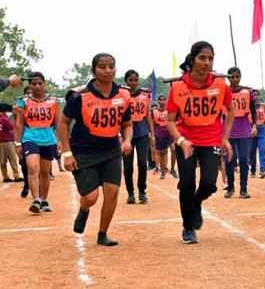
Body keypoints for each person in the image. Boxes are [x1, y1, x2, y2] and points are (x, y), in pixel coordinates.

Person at [58, 53, 133, 246]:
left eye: (111, 66)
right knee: (91, 197)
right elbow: (64, 123)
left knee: (112, 191)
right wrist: (67, 153)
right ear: (93, 70)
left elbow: (127, 124)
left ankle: (102, 234)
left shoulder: (123, 95)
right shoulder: (79, 97)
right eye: (102, 67)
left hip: (111, 150)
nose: (107, 71)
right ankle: (84, 209)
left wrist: (127, 141)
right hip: (84, 151)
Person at [166, 41, 234, 244]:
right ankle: (188, 227)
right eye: (202, 58)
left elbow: (230, 110)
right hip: (186, 140)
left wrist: (225, 138)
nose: (207, 62)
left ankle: (196, 203)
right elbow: (169, 120)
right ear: (192, 60)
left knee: (208, 184)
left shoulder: (220, 84)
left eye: (210, 58)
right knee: (186, 183)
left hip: (211, 138)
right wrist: (180, 140)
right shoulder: (178, 86)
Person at [14, 72, 60, 213]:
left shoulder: (54, 101)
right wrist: (18, 143)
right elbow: (19, 124)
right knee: (33, 168)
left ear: (44, 84)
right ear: (29, 86)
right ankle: (36, 199)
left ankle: (44, 199)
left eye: (40, 83)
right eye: (33, 84)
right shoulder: (23, 101)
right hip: (30, 139)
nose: (37, 86)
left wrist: (60, 141)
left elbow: (59, 122)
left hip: (48, 139)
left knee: (45, 172)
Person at [122, 70, 156, 205]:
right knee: (128, 165)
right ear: (126, 81)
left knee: (142, 163)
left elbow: (147, 114)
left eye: (135, 80)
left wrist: (152, 133)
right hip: (126, 133)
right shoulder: (122, 95)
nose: (133, 83)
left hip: (142, 132)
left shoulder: (145, 95)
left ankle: (142, 191)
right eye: (130, 80)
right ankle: (130, 193)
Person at [225, 66, 257, 199]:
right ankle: (230, 187)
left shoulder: (247, 92)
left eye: (237, 77)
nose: (235, 79)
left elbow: (253, 111)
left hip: (244, 128)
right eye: (232, 77)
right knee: (229, 159)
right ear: (228, 78)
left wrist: (254, 125)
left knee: (244, 159)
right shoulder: (224, 92)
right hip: (229, 128)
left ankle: (243, 188)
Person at [152, 95, 177, 180]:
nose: (162, 101)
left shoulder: (169, 109)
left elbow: (174, 120)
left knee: (174, 149)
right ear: (158, 101)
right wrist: (152, 134)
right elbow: (152, 123)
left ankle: (173, 169)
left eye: (164, 99)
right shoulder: (154, 111)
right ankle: (162, 171)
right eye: (160, 100)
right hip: (159, 132)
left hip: (169, 131)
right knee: (162, 152)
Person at [249, 90, 265, 178]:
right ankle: (253, 171)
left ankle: (263, 170)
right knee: (252, 151)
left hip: (262, 129)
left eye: (257, 95)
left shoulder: (263, 106)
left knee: (262, 149)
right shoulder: (249, 107)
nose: (256, 96)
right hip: (252, 129)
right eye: (254, 95)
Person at [0, 109, 22, 183]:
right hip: (7, 141)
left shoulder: (2, 118)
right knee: (12, 158)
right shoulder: (3, 118)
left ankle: (5, 176)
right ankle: (16, 176)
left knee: (2, 160)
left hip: (2, 141)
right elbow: (11, 126)